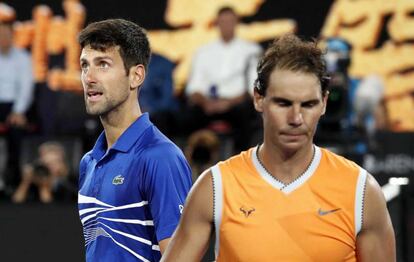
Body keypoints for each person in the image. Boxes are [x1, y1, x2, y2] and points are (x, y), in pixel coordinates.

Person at [162, 34, 396, 261]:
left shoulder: (361, 191)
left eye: (308, 104)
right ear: (258, 99)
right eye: (283, 103)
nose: (296, 118)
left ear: (324, 103)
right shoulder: (215, 187)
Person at [77, 19, 192, 261]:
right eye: (85, 66)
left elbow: (181, 256)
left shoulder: (160, 156)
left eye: (103, 64)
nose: (89, 77)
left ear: (136, 76)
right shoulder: (88, 162)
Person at [182, 6, 262, 152]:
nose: (226, 26)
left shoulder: (251, 50)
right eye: (223, 22)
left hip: (236, 105)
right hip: (207, 105)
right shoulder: (203, 52)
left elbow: (253, 88)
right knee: (188, 115)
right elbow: (194, 88)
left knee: (246, 115)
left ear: (237, 23)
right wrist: (206, 103)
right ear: (216, 24)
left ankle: (240, 161)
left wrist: (228, 103)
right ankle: (194, 163)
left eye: (230, 21)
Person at [0, 17, 34, 191]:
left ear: (12, 36)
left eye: (6, 35)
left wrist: (18, 111)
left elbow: (26, 88)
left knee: (16, 131)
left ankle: (13, 181)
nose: (3, 39)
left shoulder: (23, 57)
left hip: (15, 106)